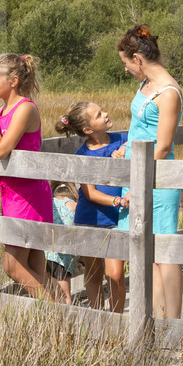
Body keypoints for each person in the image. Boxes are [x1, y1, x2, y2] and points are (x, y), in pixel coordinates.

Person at [0, 53, 64, 303]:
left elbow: (2, 149)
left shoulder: (24, 108)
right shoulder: (2, 109)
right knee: (35, 265)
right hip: (12, 194)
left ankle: (56, 315)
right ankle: (63, 305)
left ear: (13, 80)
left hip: (29, 196)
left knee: (13, 266)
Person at [110, 25, 183, 319]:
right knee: (148, 254)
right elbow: (140, 130)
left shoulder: (169, 93)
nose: (126, 69)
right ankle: (157, 319)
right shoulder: (144, 86)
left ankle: (173, 322)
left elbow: (163, 146)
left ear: (137, 59)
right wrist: (124, 148)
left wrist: (137, 186)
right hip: (135, 172)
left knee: (165, 251)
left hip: (158, 178)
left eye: (126, 63)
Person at [56, 100, 127, 311]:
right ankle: (97, 318)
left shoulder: (122, 140)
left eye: (102, 110)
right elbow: (90, 193)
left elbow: (140, 143)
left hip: (118, 220)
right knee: (94, 273)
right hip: (90, 218)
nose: (105, 114)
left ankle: (116, 320)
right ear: (88, 129)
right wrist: (118, 201)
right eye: (98, 115)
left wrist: (125, 150)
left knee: (115, 275)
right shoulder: (83, 155)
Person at [45, 181, 79, 301]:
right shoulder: (74, 206)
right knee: (65, 297)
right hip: (62, 258)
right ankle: (64, 318)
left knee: (48, 292)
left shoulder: (49, 202)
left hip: (44, 253)